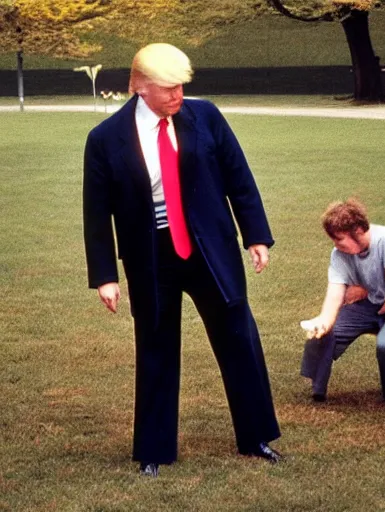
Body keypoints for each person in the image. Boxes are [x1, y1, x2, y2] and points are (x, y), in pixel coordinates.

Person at [83, 43, 282, 477]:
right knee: (155, 347)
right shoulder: (104, 139)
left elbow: (238, 175)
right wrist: (104, 276)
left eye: (181, 86)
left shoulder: (205, 115)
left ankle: (256, 437)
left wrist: (256, 236)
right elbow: (96, 213)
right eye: (168, 88)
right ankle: (153, 451)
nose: (177, 95)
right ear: (139, 87)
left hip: (210, 248)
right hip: (151, 256)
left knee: (239, 338)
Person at [300, 198, 385, 406]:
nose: (336, 245)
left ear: (358, 231)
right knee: (323, 332)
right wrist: (323, 321)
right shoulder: (338, 254)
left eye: (339, 239)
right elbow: (335, 294)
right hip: (374, 300)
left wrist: (383, 327)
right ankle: (318, 387)